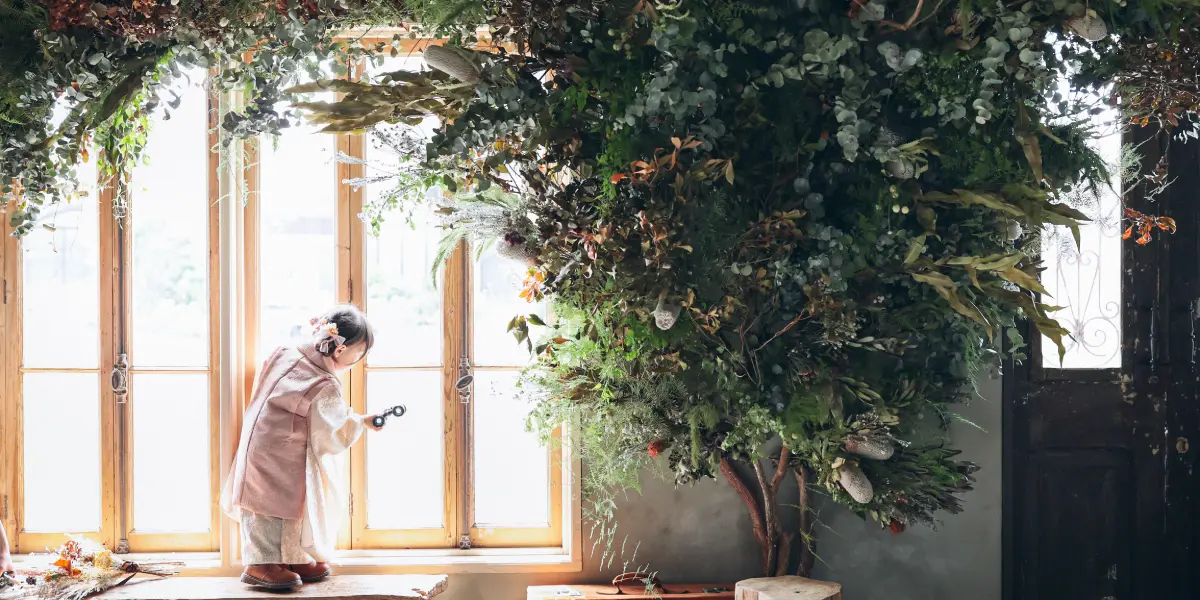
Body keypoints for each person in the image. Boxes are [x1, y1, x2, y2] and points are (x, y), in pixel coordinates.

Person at [221, 305, 382, 590]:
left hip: (261, 439)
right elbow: (332, 428)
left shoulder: (286, 352)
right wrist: (361, 422)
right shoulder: (324, 383)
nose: (359, 359)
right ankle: (260, 563)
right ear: (340, 349)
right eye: (359, 353)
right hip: (283, 451)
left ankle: (293, 558)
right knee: (272, 508)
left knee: (282, 504)